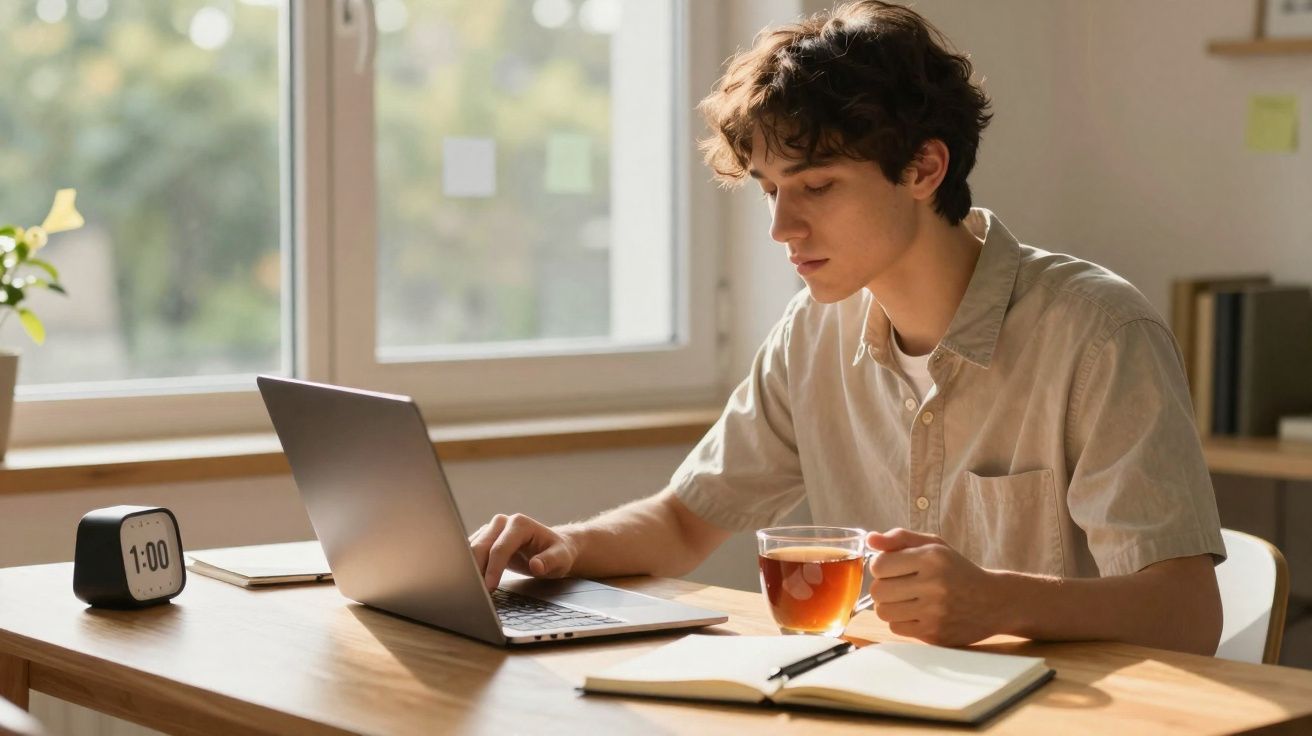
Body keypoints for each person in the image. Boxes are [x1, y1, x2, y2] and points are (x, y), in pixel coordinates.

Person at [469, 0, 1225, 655]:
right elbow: (683, 520)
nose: (780, 227)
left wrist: (1001, 601)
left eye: (817, 187)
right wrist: (566, 547)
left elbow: (1186, 614)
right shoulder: (813, 334)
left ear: (925, 169)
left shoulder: (1097, 333)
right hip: (878, 700)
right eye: (768, 190)